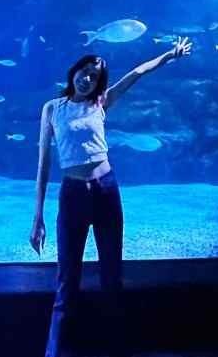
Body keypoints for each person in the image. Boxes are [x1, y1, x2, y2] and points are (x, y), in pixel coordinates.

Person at [29, 37, 193, 357]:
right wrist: (38, 217)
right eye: (85, 72)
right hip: (73, 195)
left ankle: (115, 348)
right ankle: (55, 352)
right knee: (67, 281)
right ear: (74, 71)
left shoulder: (101, 103)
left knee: (111, 278)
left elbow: (138, 73)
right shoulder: (52, 108)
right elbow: (43, 164)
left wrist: (169, 55)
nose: (87, 79)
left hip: (106, 190)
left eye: (94, 76)